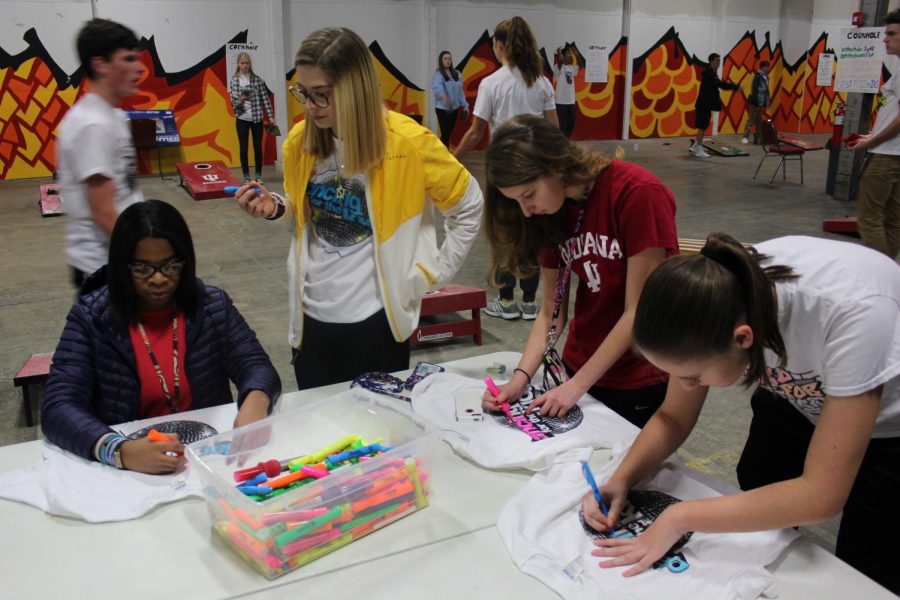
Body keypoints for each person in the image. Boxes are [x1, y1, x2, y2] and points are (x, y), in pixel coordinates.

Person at [584, 233, 900, 594]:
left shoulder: (852, 312)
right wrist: (621, 478)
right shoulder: (713, 302)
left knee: (867, 567)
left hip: (890, 423)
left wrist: (680, 517)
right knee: (760, 490)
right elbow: (673, 416)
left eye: (693, 377)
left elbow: (821, 497)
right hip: (797, 392)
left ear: (744, 339)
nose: (687, 386)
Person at [235, 27, 482, 390]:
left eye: (321, 95)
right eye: (303, 93)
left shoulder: (408, 142)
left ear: (356, 89)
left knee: (382, 438)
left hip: (379, 323)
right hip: (311, 323)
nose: (309, 106)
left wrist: (432, 274)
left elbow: (469, 205)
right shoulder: (298, 144)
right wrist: (275, 207)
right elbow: (303, 218)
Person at [41, 200, 282, 475]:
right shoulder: (92, 316)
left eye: (170, 266)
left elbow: (254, 363)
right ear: (122, 266)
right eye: (142, 269)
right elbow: (58, 405)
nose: (158, 279)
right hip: (133, 469)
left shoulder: (212, 305)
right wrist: (119, 451)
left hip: (207, 460)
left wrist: (257, 399)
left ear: (185, 262)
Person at [480, 115, 678, 427]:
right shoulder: (553, 213)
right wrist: (520, 379)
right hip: (579, 369)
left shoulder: (638, 194)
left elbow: (638, 311)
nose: (526, 211)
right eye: (516, 201)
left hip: (637, 377)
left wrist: (576, 386)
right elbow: (550, 314)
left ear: (556, 165)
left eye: (529, 195)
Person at [453, 16, 558, 321]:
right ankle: (529, 301)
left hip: (503, 172)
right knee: (533, 232)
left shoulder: (491, 83)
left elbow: (476, 132)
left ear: (499, 46)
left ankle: (505, 299)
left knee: (503, 234)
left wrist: (454, 157)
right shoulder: (541, 82)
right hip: (535, 171)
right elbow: (554, 130)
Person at [57, 18, 145, 289]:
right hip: (103, 267)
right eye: (128, 59)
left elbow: (123, 191)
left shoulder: (113, 116)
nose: (138, 68)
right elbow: (103, 211)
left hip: (119, 259)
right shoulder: (92, 123)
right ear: (100, 64)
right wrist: (146, 257)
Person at [847, 9, 900, 259]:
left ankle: (879, 275)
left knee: (869, 219)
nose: (885, 39)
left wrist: (874, 141)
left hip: (887, 155)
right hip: (891, 152)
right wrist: (872, 136)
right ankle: (891, 276)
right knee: (892, 219)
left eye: (891, 34)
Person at [229, 51, 277, 184]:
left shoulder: (258, 80)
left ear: (250, 64)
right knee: (243, 148)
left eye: (247, 63)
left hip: (257, 118)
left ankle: (258, 175)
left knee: (258, 147)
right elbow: (233, 103)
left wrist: (271, 116)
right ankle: (246, 176)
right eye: (242, 63)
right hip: (242, 119)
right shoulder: (234, 81)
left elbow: (265, 99)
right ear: (238, 64)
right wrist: (241, 99)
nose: (245, 66)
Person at [690, 53, 739, 158]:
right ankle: (699, 149)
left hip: (706, 105)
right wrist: (735, 87)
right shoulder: (709, 74)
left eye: (719, 60)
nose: (719, 62)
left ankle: (695, 146)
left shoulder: (712, 73)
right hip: (703, 104)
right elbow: (721, 85)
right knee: (702, 127)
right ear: (711, 61)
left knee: (703, 126)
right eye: (717, 60)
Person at [432, 51, 468, 147]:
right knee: (445, 134)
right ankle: (445, 154)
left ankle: (439, 151)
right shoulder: (438, 74)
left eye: (449, 58)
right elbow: (437, 88)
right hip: (442, 109)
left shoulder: (457, 74)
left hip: (454, 109)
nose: (448, 61)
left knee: (447, 135)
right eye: (445, 59)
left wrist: (465, 106)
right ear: (441, 61)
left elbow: (460, 92)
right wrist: (443, 96)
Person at [741, 60, 770, 145]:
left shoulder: (766, 77)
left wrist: (766, 102)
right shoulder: (758, 76)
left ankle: (759, 137)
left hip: (760, 102)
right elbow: (754, 89)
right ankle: (745, 137)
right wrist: (756, 102)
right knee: (751, 119)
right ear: (762, 67)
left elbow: (766, 91)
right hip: (755, 102)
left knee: (759, 121)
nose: (768, 68)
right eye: (767, 66)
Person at [553, 46, 580, 139]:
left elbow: (581, 65)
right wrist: (559, 51)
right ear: (563, 56)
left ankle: (566, 141)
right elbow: (560, 60)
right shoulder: (558, 67)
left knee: (571, 124)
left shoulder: (572, 68)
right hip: (560, 102)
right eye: (568, 54)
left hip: (571, 101)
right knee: (562, 126)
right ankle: (562, 144)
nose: (570, 56)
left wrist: (577, 54)